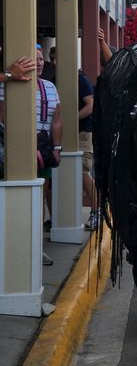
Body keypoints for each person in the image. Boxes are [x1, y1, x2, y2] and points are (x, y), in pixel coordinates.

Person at [0, 46, 61, 264]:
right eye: (35, 59)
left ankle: (35, 249)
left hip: (43, 153)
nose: (40, 63)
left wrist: (57, 148)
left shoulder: (50, 87)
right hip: (14, 152)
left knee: (39, 199)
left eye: (41, 59)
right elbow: (3, 119)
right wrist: (26, 146)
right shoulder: (7, 86)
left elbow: (57, 120)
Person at [78, 69, 98, 230]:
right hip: (67, 134)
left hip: (83, 134)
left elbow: (91, 105)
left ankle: (97, 212)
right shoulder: (57, 78)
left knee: (83, 173)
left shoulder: (81, 80)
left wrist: (72, 119)